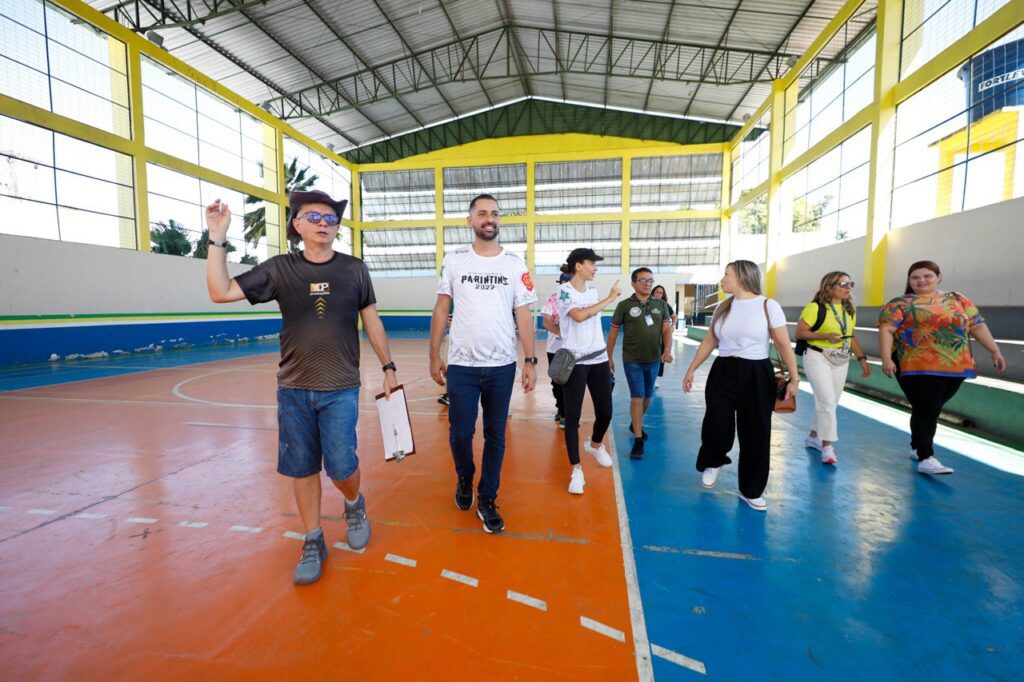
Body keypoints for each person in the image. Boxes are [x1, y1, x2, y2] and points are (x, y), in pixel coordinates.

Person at [205, 190, 397, 585]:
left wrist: (389, 367)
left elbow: (372, 321)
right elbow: (219, 292)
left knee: (342, 465)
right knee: (303, 467)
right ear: (297, 225)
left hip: (341, 386)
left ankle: (353, 502)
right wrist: (217, 237)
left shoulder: (354, 270)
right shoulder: (280, 269)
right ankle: (313, 539)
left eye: (330, 217)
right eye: (314, 216)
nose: (324, 223)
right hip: (293, 389)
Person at [429, 194, 538, 533]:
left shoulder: (515, 263)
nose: (489, 218)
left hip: (501, 366)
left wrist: (530, 360)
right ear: (470, 220)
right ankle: (465, 476)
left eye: (494, 213)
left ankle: (487, 496)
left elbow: (523, 313)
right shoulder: (454, 260)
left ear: (499, 220)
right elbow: (441, 307)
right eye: (482, 213)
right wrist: (434, 353)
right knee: (461, 433)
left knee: (496, 435)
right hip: (462, 364)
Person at [682, 260, 799, 511]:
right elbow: (710, 341)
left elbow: (782, 344)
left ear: (743, 278)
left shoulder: (769, 306)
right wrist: (691, 369)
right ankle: (714, 460)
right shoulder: (723, 308)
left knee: (755, 431)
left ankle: (750, 489)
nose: (722, 280)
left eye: (727, 275)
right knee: (716, 421)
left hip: (756, 372)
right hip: (723, 370)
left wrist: (795, 378)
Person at [878, 260, 1006, 475]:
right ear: (909, 281)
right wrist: (886, 358)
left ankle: (917, 444)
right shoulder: (900, 303)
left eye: (927, 276)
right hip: (914, 365)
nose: (921, 280)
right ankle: (926, 457)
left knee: (928, 408)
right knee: (928, 408)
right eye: (915, 277)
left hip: (955, 365)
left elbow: (977, 324)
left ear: (939, 277)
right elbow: (886, 330)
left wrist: (994, 350)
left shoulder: (957, 299)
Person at [557, 248, 621, 494]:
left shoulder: (592, 291)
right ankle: (576, 470)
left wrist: (603, 298)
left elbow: (590, 315)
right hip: (574, 361)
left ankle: (595, 444)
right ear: (578, 265)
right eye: (591, 263)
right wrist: (610, 298)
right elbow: (580, 316)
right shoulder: (564, 292)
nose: (595, 267)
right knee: (571, 418)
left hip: (598, 360)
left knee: (605, 411)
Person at [795, 271, 872, 465]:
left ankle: (814, 436)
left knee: (829, 401)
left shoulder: (849, 310)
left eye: (850, 284)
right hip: (817, 356)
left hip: (840, 358)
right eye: (843, 284)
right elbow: (800, 332)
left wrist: (861, 358)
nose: (848, 288)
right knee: (827, 401)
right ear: (829, 287)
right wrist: (825, 336)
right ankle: (827, 446)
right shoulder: (815, 308)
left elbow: (851, 335)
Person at [607, 268, 673, 459]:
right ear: (633, 283)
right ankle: (638, 439)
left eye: (650, 281)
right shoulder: (624, 306)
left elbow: (667, 330)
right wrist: (609, 357)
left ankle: (635, 422)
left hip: (654, 359)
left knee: (648, 397)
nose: (647, 284)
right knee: (637, 397)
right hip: (632, 359)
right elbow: (612, 334)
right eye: (643, 280)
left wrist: (667, 350)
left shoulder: (661, 305)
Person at [542, 272, 573, 428]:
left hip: (573, 348)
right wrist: (561, 333)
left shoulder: (576, 299)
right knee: (557, 381)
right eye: (562, 283)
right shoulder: (551, 300)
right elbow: (547, 322)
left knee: (571, 381)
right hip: (555, 348)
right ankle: (560, 406)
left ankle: (568, 412)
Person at [651, 284, 678, 388]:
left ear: (663, 295)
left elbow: (674, 316)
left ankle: (654, 380)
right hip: (650, 336)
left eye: (660, 292)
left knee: (660, 358)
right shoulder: (647, 304)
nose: (658, 294)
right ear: (653, 292)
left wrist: (672, 326)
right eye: (656, 291)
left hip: (662, 337)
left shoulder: (665, 305)